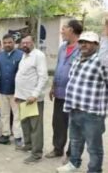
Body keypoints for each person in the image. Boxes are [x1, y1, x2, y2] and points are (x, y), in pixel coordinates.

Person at [56, 26, 108, 173]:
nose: (84, 44)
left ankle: (94, 170)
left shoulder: (102, 62)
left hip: (92, 113)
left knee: (93, 147)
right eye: (82, 42)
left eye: (89, 42)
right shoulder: (78, 59)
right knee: (76, 141)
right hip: (74, 109)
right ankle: (73, 164)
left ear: (97, 45)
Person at [45, 20, 82, 160]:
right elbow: (58, 67)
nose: (61, 31)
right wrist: (53, 86)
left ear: (71, 30)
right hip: (60, 93)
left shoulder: (82, 47)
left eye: (64, 29)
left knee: (74, 125)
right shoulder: (62, 48)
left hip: (75, 95)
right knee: (58, 123)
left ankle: (72, 154)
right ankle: (57, 149)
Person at [15, 35, 48, 164]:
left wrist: (35, 94)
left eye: (27, 42)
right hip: (22, 97)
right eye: (23, 43)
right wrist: (17, 95)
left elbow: (43, 77)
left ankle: (36, 154)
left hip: (33, 99)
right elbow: (22, 76)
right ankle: (28, 145)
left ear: (33, 42)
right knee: (25, 124)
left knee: (36, 127)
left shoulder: (38, 55)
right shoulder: (24, 55)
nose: (25, 45)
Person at [0, 34, 23, 146]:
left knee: (17, 115)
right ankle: (5, 134)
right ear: (2, 44)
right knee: (4, 114)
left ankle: (17, 136)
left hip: (16, 91)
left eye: (10, 42)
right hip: (2, 89)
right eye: (5, 42)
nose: (7, 44)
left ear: (14, 43)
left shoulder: (21, 55)